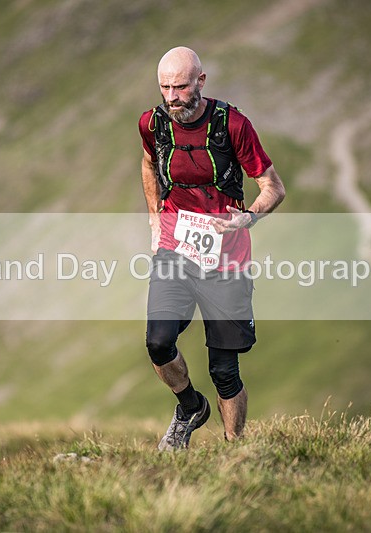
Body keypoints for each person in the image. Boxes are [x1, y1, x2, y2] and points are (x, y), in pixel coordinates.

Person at [139, 46, 286, 451]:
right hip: (175, 248)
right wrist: (155, 218)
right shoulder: (153, 123)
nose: (172, 97)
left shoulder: (232, 125)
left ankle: (234, 452)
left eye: (181, 87)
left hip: (227, 258)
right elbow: (149, 163)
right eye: (165, 87)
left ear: (201, 81)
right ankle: (189, 407)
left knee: (224, 368)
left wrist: (249, 217)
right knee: (157, 341)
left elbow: (273, 186)